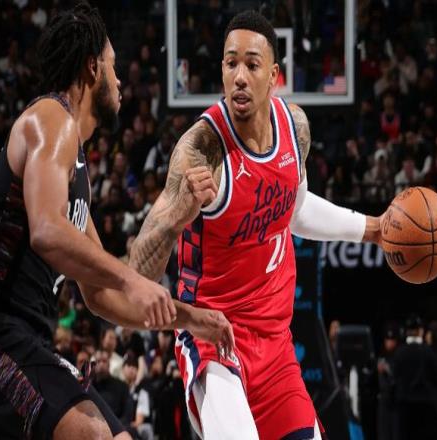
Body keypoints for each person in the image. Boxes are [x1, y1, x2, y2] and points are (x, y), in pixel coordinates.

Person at [0, 3, 233, 439]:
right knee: (94, 434)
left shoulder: (75, 165)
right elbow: (46, 231)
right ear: (92, 67)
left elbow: (100, 294)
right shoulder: (51, 119)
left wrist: (191, 318)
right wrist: (134, 282)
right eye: (113, 67)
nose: (119, 81)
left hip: (26, 338)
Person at [130, 10, 385, 440]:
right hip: (214, 340)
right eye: (231, 63)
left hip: (276, 347)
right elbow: (136, 276)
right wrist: (175, 218)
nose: (239, 77)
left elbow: (295, 211)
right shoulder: (201, 149)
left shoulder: (295, 128)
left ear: (274, 76)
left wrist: (372, 229)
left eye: (251, 64)